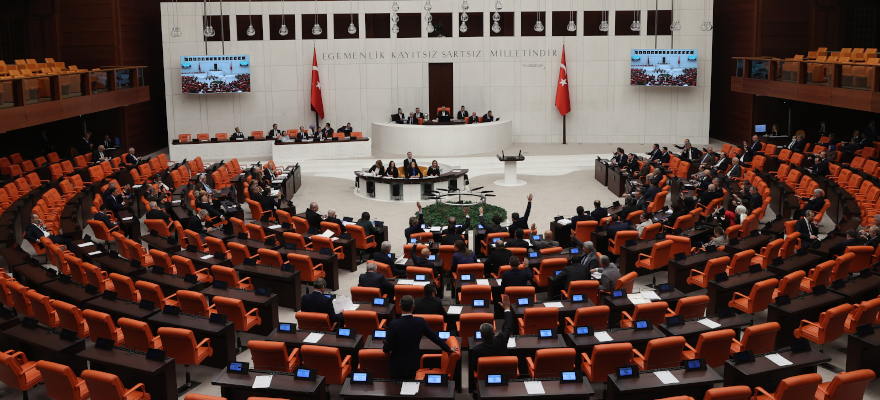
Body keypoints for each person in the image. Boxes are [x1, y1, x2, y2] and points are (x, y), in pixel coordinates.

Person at [383, 295, 457, 380]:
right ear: (413, 307)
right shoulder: (420, 322)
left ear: (400, 306)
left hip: (397, 366)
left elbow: (387, 349)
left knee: (396, 387)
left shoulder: (393, 325)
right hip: (413, 365)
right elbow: (434, 337)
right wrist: (448, 349)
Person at [469, 295, 513, 368]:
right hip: (503, 370)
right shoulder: (502, 339)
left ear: (481, 336)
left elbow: (474, 367)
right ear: (494, 332)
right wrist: (507, 309)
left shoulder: (477, 349)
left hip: (485, 374)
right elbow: (508, 326)